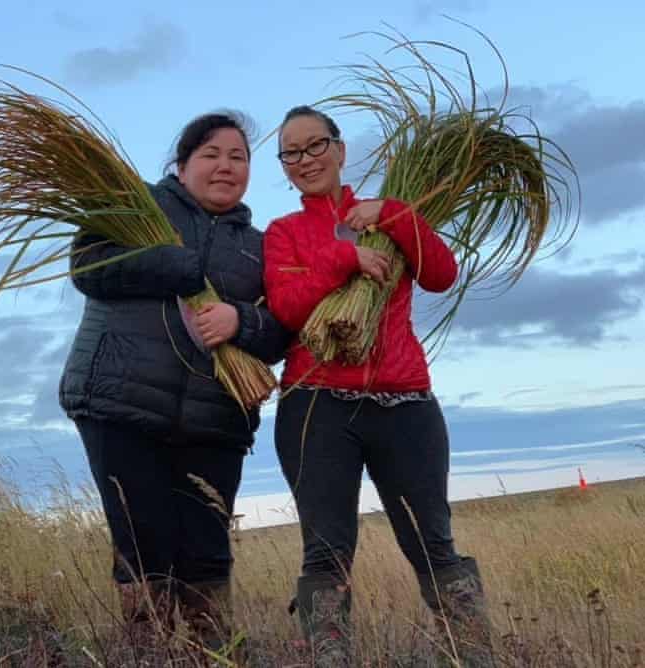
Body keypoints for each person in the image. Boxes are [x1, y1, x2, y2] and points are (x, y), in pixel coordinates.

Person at [263, 105, 493, 666]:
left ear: (340, 150)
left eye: (316, 145)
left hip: (405, 402)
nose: (305, 160)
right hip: (316, 405)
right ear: (285, 168)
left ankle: (474, 657)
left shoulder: (388, 213)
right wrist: (345, 258)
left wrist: (392, 214)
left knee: (434, 545)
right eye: (291, 153)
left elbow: (440, 273)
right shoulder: (284, 232)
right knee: (325, 554)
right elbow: (287, 308)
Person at [59, 111, 291, 651]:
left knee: (208, 552)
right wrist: (174, 267)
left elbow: (282, 330)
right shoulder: (137, 206)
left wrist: (241, 321)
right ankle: (147, 654)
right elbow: (88, 269)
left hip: (216, 419)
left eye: (239, 157)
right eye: (211, 154)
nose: (225, 166)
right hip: (121, 403)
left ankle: (209, 654)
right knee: (145, 546)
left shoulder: (259, 246)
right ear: (181, 164)